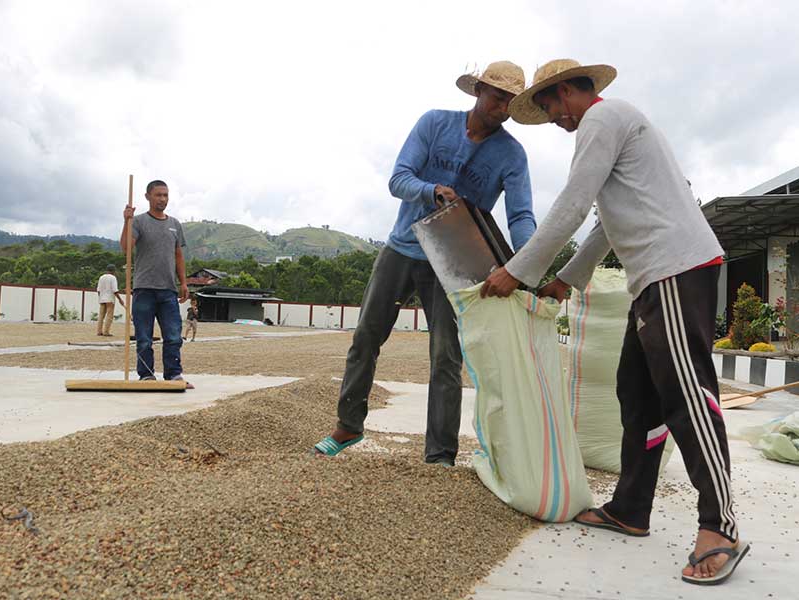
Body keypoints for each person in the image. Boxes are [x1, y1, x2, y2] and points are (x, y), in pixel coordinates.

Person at [482, 59, 747, 585]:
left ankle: (720, 525)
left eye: (551, 106)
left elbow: (572, 206)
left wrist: (517, 272)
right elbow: (605, 221)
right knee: (638, 393)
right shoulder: (616, 125)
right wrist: (566, 280)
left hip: (675, 266)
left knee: (685, 393)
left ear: (566, 91)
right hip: (653, 277)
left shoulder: (602, 121)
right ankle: (631, 508)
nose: (555, 118)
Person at [312, 61, 537, 466]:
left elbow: (521, 216)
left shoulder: (512, 155)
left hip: (454, 261)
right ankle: (348, 426)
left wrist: (527, 265)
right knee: (366, 337)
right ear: (478, 91)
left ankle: (439, 455)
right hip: (404, 246)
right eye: (497, 95)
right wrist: (431, 191)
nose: (502, 106)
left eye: (510, 101)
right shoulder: (435, 124)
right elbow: (399, 178)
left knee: (446, 356)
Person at [121, 180, 190, 383]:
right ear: (147, 197)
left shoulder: (174, 225)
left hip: (168, 289)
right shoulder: (139, 221)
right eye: (158, 195)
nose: (162, 199)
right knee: (144, 338)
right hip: (144, 289)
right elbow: (126, 248)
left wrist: (183, 283)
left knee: (174, 336)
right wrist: (127, 221)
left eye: (165, 195)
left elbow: (178, 255)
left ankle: (174, 374)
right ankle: (146, 375)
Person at [96, 264, 124, 336]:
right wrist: (120, 299)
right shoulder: (113, 278)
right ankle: (106, 332)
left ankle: (99, 331)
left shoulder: (101, 277)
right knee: (109, 316)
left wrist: (100, 297)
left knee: (101, 316)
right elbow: (115, 290)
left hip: (102, 298)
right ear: (113, 271)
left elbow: (98, 290)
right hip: (110, 299)